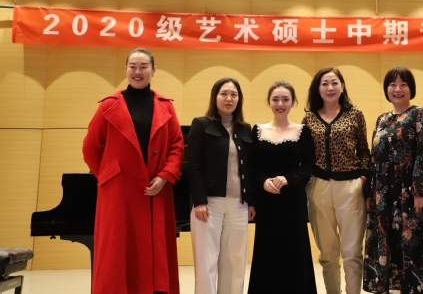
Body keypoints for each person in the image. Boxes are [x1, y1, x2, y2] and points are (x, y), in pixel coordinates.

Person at [82, 47, 184, 294]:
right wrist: (109, 177)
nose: (138, 72)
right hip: (118, 193)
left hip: (155, 191)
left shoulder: (166, 107)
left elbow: (176, 146)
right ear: (126, 69)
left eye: (144, 67)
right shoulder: (108, 106)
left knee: (155, 249)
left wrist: (164, 177)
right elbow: (90, 147)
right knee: (117, 249)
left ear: (153, 70)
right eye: (133, 67)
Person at [364, 67, 423, 294]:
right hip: (383, 195)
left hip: (410, 193)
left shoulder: (420, 114)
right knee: (387, 245)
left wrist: (421, 191)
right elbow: (374, 158)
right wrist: (370, 193)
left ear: (411, 89)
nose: (397, 89)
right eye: (392, 84)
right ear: (386, 89)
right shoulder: (382, 119)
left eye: (403, 84)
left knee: (414, 245)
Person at [302, 67, 371, 294]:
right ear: (317, 88)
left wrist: (362, 180)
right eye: (324, 83)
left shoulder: (355, 114)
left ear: (342, 86)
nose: (330, 88)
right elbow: (305, 156)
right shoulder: (309, 118)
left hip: (350, 188)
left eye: (334, 83)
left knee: (352, 253)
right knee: (328, 254)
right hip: (318, 187)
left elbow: (364, 151)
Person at [247, 80, 317, 294]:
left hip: (293, 203)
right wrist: (263, 182)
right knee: (266, 251)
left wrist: (288, 179)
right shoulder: (257, 130)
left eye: (285, 99)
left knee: (295, 251)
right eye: (275, 99)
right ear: (268, 102)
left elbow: (309, 166)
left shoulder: (302, 131)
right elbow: (251, 166)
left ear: (293, 102)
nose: (280, 104)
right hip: (266, 202)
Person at [187, 77, 255, 294]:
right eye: (224, 94)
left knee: (235, 262)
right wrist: (199, 201)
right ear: (215, 97)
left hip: (238, 205)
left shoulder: (245, 129)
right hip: (209, 204)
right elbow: (192, 165)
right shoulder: (201, 124)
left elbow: (249, 168)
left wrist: (251, 202)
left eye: (234, 95)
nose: (229, 99)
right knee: (206, 262)